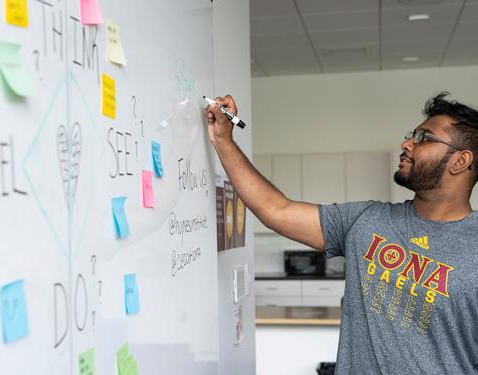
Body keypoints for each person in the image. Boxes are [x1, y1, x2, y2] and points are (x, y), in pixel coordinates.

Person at [205, 92, 478, 375]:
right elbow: (276, 210)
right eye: (413, 134)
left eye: (424, 138)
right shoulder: (365, 220)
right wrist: (223, 140)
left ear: (460, 161)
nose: (407, 143)